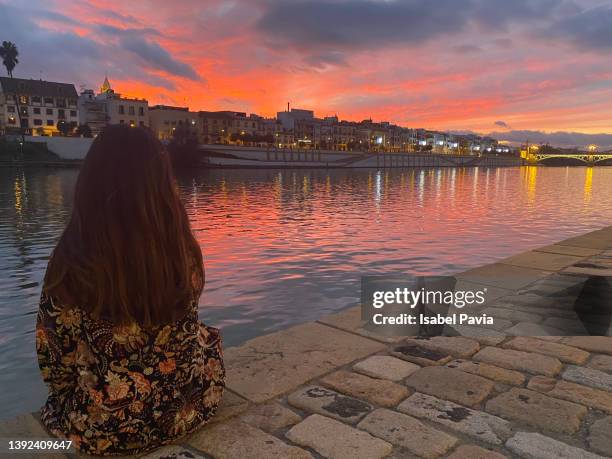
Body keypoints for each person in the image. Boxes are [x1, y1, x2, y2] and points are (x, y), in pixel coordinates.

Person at [35, 125, 224, 456]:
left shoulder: (75, 260)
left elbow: (54, 360)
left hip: (108, 428)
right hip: (186, 406)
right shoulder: (181, 248)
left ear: (91, 182)